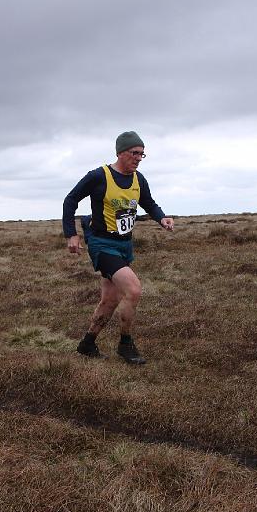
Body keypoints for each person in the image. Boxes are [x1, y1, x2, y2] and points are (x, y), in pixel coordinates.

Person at [62, 131, 174, 365]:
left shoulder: (138, 179)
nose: (139, 158)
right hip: (102, 244)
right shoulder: (98, 176)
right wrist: (71, 235)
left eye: (142, 154)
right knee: (133, 290)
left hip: (124, 245)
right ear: (121, 152)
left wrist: (161, 218)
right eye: (135, 153)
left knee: (110, 300)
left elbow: (149, 203)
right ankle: (125, 344)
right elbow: (70, 200)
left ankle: (87, 343)